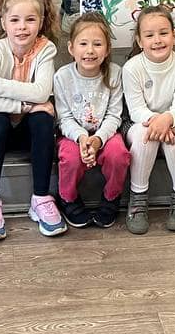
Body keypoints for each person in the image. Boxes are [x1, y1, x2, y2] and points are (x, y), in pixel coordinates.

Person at [0, 0, 65, 241]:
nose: (22, 27)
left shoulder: (46, 49)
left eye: (30, 20)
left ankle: (41, 198)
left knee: (43, 119)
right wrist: (25, 106)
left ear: (41, 23)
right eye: (14, 20)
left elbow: (41, 91)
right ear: (3, 23)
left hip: (28, 133)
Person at [122, 6, 175, 234]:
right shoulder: (131, 68)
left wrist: (167, 119)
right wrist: (157, 121)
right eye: (149, 35)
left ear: (174, 35)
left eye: (163, 33)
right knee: (146, 137)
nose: (157, 40)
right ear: (139, 40)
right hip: (138, 123)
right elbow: (136, 110)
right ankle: (138, 198)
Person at [53, 12, 130, 229]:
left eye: (97, 44)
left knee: (118, 154)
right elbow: (64, 117)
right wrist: (81, 138)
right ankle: (68, 198)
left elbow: (114, 115)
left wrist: (98, 139)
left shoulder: (115, 74)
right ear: (71, 48)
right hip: (73, 135)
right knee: (70, 157)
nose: (90, 50)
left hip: (106, 133)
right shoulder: (62, 76)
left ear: (107, 49)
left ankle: (111, 197)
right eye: (83, 44)